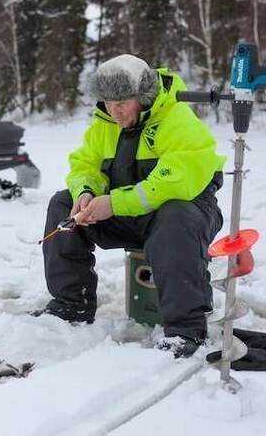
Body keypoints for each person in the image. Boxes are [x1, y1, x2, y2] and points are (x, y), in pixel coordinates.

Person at [36, 54, 226, 358]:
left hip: (184, 216)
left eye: (122, 102)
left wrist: (113, 203)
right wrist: (85, 192)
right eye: (108, 102)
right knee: (62, 203)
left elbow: (176, 181)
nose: (114, 110)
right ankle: (71, 305)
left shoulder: (178, 120)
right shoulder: (105, 123)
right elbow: (84, 164)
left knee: (175, 218)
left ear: (144, 96)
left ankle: (186, 328)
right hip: (126, 214)